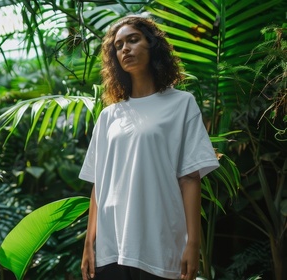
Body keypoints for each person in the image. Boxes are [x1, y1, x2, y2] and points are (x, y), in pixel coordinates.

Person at [79, 16, 219, 280]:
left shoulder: (182, 104)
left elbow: (190, 177)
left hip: (158, 245)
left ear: (152, 45)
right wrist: (89, 244)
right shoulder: (109, 116)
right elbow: (99, 184)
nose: (125, 49)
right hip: (111, 248)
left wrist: (193, 243)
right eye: (118, 45)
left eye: (133, 40)